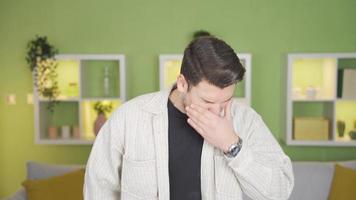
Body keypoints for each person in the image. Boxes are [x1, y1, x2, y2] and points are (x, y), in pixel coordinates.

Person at [84, 36, 294, 200]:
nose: (218, 111)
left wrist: (232, 145)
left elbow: (280, 190)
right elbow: (99, 188)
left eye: (227, 100)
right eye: (208, 102)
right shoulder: (129, 118)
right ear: (183, 84)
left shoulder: (246, 121)